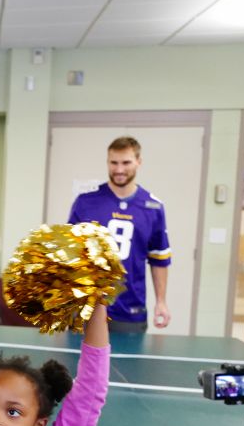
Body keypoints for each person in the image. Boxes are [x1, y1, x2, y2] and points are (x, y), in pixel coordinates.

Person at [67, 136, 171, 332]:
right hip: (86, 306)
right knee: (80, 363)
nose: (119, 169)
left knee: (128, 363)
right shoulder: (86, 201)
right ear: (107, 162)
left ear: (139, 162)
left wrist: (161, 302)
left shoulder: (153, 207)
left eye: (126, 163)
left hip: (130, 310)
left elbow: (159, 259)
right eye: (114, 163)